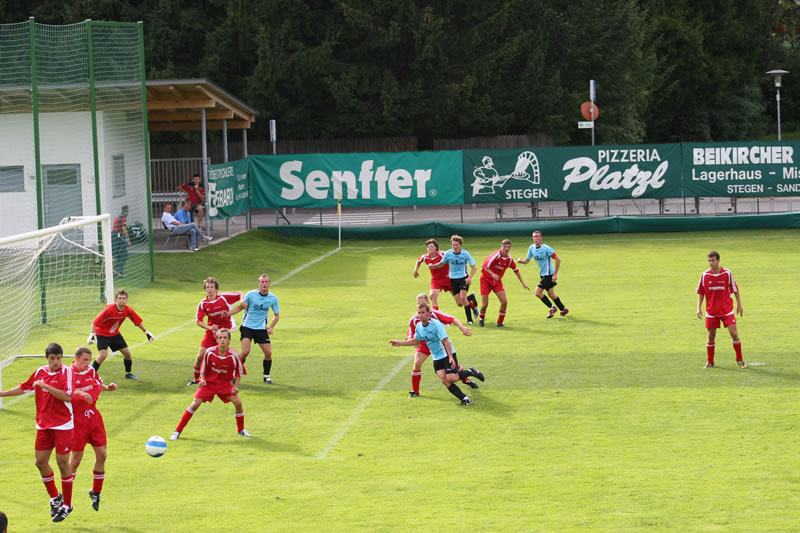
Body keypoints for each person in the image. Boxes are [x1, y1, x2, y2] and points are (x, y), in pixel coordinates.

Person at [0, 343, 92, 523]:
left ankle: (67, 504)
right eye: (53, 358)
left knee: (62, 464)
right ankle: (55, 497)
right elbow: (25, 387)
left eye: (59, 358)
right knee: (40, 462)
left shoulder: (67, 373)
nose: (56, 362)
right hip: (43, 425)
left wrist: (45, 386)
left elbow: (67, 396)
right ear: (47, 358)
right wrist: (3, 393)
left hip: (63, 425)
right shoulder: (40, 371)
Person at [390, 301, 484, 406]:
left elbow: (446, 341)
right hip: (436, 357)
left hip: (446, 353)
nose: (420, 315)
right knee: (444, 380)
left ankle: (471, 371)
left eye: (422, 312)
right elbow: (416, 340)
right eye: (419, 313)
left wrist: (451, 357)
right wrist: (399, 343)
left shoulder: (436, 325)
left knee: (451, 378)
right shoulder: (419, 326)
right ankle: (465, 399)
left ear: (428, 313)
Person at [170, 328, 250, 440]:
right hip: (208, 384)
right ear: (216, 340)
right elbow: (203, 370)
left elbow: (238, 372)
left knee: (238, 403)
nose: (222, 340)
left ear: (229, 341)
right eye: (220, 338)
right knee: (195, 404)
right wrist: (202, 379)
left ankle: (241, 430)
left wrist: (235, 386)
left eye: (225, 338)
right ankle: (177, 431)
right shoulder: (209, 352)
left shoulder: (234, 355)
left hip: (224, 384)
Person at [69, 346, 117, 512]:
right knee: (75, 460)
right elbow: (63, 393)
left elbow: (98, 384)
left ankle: (96, 492)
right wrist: (79, 394)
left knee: (102, 455)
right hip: (77, 421)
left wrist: (107, 388)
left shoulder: (90, 371)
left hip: (94, 418)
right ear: (76, 359)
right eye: (84, 360)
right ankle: (65, 495)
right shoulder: (68, 374)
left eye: (89, 360)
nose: (87, 364)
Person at [407, 293, 477, 398]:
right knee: (417, 362)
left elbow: (452, 319)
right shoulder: (414, 319)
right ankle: (415, 391)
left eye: (422, 303)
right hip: (425, 344)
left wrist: (462, 328)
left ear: (427, 304)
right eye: (418, 304)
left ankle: (466, 379)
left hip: (439, 344)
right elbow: (411, 336)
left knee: (453, 366)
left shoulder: (434, 314)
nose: (420, 306)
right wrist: (412, 343)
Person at [88, 289, 154, 379]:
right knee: (103, 355)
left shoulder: (128, 310)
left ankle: (128, 373)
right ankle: (88, 375)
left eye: (123, 298)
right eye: (120, 298)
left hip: (115, 334)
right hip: (102, 333)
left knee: (127, 354)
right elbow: (95, 322)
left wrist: (146, 332)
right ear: (116, 300)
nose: (122, 300)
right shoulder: (109, 309)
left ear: (126, 299)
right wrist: (92, 334)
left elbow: (137, 321)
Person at [188, 277, 242, 385]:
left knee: (225, 356)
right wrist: (210, 328)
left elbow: (240, 293)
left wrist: (232, 310)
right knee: (200, 356)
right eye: (207, 287)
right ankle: (196, 379)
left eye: (212, 287)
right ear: (205, 289)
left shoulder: (224, 298)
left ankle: (231, 377)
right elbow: (199, 321)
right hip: (211, 333)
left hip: (224, 333)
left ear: (216, 289)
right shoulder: (203, 303)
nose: (209, 289)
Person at [697, 250, 746, 369]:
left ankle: (740, 360)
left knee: (734, 333)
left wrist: (739, 305)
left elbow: (735, 290)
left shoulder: (727, 273)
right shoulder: (705, 275)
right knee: (711, 336)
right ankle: (710, 362)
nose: (711, 263)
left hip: (727, 310)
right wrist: (698, 308)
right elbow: (701, 292)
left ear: (718, 261)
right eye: (709, 261)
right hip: (711, 312)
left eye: (713, 260)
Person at [228, 274, 280, 384]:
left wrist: (271, 327)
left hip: (261, 329)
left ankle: (266, 376)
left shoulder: (273, 298)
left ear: (269, 284)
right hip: (247, 327)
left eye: (266, 282)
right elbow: (241, 307)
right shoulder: (251, 294)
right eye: (262, 282)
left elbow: (277, 315)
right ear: (259, 284)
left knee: (268, 353)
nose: (264, 284)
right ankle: (234, 373)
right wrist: (228, 313)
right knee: (246, 352)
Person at [517, 230, 569, 318]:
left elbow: (558, 259)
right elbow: (527, 260)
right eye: (534, 237)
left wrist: (555, 274)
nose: (536, 238)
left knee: (537, 292)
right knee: (552, 295)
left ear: (541, 238)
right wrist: (521, 261)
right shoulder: (531, 248)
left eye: (537, 236)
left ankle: (552, 308)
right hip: (543, 274)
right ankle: (563, 309)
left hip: (549, 275)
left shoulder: (546, 248)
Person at [479, 239, 530, 327]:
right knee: (485, 304)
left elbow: (516, 270)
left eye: (508, 247)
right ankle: (481, 318)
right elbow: (484, 267)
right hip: (485, 281)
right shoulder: (495, 255)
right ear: (501, 247)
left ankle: (500, 322)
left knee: (504, 301)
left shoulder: (509, 259)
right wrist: (493, 274)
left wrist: (523, 283)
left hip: (497, 282)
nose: (506, 249)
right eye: (505, 247)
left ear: (510, 247)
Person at [430, 235, 479, 325]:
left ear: (460, 245)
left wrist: (469, 277)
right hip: (452, 279)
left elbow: (474, 267)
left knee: (463, 297)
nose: (454, 247)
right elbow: (442, 264)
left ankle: (470, 320)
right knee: (460, 303)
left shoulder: (465, 254)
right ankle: (472, 297)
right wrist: (434, 266)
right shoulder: (448, 254)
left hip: (463, 278)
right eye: (453, 245)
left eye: (456, 245)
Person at [412, 239, 451, 310]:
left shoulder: (442, 254)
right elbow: (418, 260)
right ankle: (435, 315)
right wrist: (415, 270)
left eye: (431, 246)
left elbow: (452, 256)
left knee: (460, 301)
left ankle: (472, 304)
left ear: (436, 247)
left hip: (448, 278)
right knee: (432, 296)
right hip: (436, 280)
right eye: (428, 247)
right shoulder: (425, 257)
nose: (430, 248)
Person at [111, 205, 130, 278]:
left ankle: (116, 271)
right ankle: (118, 272)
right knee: (125, 255)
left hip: (113, 236)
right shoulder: (123, 217)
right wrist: (128, 240)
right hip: (118, 237)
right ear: (127, 211)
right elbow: (124, 228)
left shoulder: (118, 216)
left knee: (119, 255)